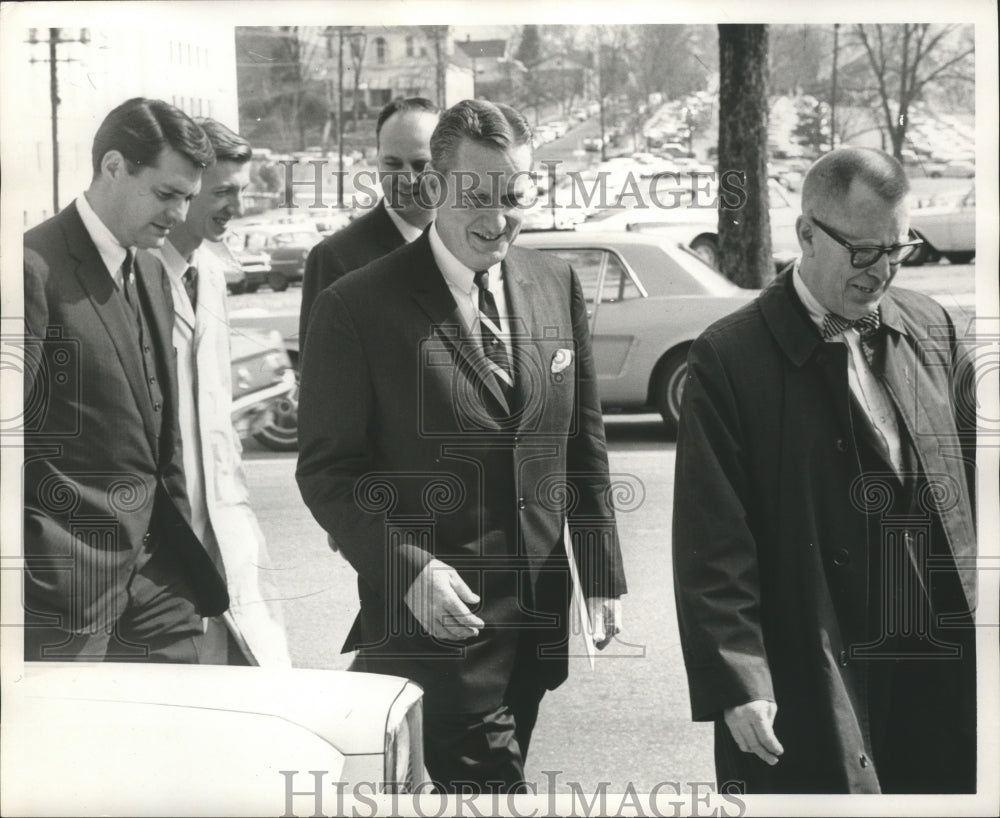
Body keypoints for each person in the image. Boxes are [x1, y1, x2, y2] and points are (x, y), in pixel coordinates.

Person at [296, 99, 627, 792]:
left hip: (536, 625)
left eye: (514, 197)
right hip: (434, 636)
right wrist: (410, 568)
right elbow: (329, 472)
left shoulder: (554, 282)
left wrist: (599, 568)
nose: (496, 218)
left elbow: (581, 443)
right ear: (435, 186)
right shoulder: (356, 306)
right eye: (476, 195)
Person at [672, 146, 977, 794]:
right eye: (864, 251)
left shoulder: (933, 327)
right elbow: (713, 543)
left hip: (939, 664)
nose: (883, 272)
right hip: (812, 669)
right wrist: (741, 681)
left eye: (898, 250)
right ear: (806, 233)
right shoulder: (728, 359)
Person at [23, 97, 231, 662]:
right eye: (166, 195)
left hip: (162, 585)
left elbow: (164, 439)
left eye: (188, 198)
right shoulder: (30, 268)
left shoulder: (150, 269)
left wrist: (182, 569)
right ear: (113, 167)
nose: (180, 215)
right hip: (67, 595)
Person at [142, 117, 291, 667]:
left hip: (224, 515)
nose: (237, 206)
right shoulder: (137, 277)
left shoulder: (209, 270)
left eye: (242, 191)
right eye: (223, 191)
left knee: (255, 668)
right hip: (168, 534)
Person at [298, 97, 439, 344]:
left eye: (420, 165)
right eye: (393, 164)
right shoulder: (335, 257)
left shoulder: (464, 242)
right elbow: (321, 370)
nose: (407, 177)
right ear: (377, 162)